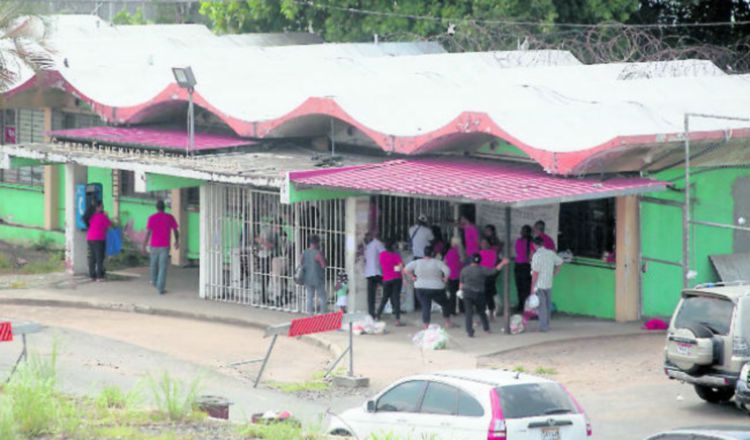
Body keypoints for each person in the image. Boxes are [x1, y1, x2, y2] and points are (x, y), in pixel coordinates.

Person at [403, 245, 456, 329]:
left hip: (420, 287)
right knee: (445, 304)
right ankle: (447, 322)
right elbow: (447, 270)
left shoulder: (417, 262)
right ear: (433, 253)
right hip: (437, 288)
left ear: (424, 253)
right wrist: (445, 278)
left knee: (426, 306)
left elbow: (405, 269)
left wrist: (412, 276)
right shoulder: (438, 262)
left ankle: (426, 326)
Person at [459, 253, 510, 337]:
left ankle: (469, 331)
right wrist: (503, 263)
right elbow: (494, 271)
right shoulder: (482, 269)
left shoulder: (464, 270)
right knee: (482, 312)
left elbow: (461, 284)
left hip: (467, 293)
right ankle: (486, 329)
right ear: (480, 261)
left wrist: (460, 291)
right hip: (479, 294)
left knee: (469, 313)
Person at [142, 200, 179, 295]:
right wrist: (177, 241)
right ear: (164, 207)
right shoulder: (169, 217)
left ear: (156, 207)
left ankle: (154, 281)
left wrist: (144, 245)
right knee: (162, 267)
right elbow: (175, 230)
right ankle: (160, 288)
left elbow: (148, 233)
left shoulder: (152, 218)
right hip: (165, 246)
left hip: (154, 245)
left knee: (153, 265)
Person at [530, 235, 564, 332]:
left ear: (534, 245)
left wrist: (532, 287)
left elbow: (535, 273)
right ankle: (546, 325)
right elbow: (560, 262)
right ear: (543, 244)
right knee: (547, 305)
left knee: (542, 307)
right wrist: (555, 273)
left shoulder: (536, 256)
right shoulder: (550, 253)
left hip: (539, 284)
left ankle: (543, 327)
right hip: (548, 283)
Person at [377, 239, 405, 326]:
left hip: (386, 279)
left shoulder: (382, 255)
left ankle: (377, 315)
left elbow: (381, 265)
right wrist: (404, 279)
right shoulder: (396, 255)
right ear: (393, 246)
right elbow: (401, 267)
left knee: (385, 298)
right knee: (396, 299)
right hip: (396, 278)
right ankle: (397, 320)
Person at [85, 200, 110, 282]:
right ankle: (99, 276)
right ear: (98, 207)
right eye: (101, 206)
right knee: (99, 258)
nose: (103, 208)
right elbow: (109, 225)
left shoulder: (91, 216)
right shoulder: (102, 216)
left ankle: (92, 276)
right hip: (99, 239)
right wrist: (107, 216)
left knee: (92, 257)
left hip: (90, 238)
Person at [302, 235, 328, 314]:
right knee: (322, 297)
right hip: (317, 278)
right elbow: (323, 265)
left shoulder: (304, 252)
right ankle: (322, 314)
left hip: (307, 278)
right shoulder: (318, 253)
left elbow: (301, 262)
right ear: (317, 243)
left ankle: (309, 314)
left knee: (309, 297)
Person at [362, 232, 385, 318]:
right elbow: (384, 254)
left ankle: (373, 313)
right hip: (374, 272)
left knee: (372, 295)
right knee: (386, 291)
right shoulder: (373, 245)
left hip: (373, 272)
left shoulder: (372, 245)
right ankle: (374, 313)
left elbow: (383, 255)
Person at [514, 224, 535, 313]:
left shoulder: (520, 241)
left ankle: (521, 305)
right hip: (527, 266)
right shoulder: (532, 242)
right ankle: (526, 306)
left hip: (520, 265)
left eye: (523, 230)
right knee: (526, 287)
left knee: (520, 287)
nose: (521, 232)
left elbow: (517, 251)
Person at [479, 239, 500, 320]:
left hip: (489, 275)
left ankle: (491, 314)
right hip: (482, 276)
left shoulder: (493, 253)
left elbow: (494, 263)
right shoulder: (479, 253)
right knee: (482, 296)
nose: (483, 245)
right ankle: (484, 314)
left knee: (489, 296)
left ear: (488, 244)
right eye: (482, 243)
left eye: (485, 243)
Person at [443, 236, 465, 316]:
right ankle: (462, 309)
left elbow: (445, 262)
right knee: (461, 293)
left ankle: (452, 311)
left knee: (452, 294)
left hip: (451, 275)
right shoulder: (461, 252)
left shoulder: (450, 252)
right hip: (460, 275)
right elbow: (463, 263)